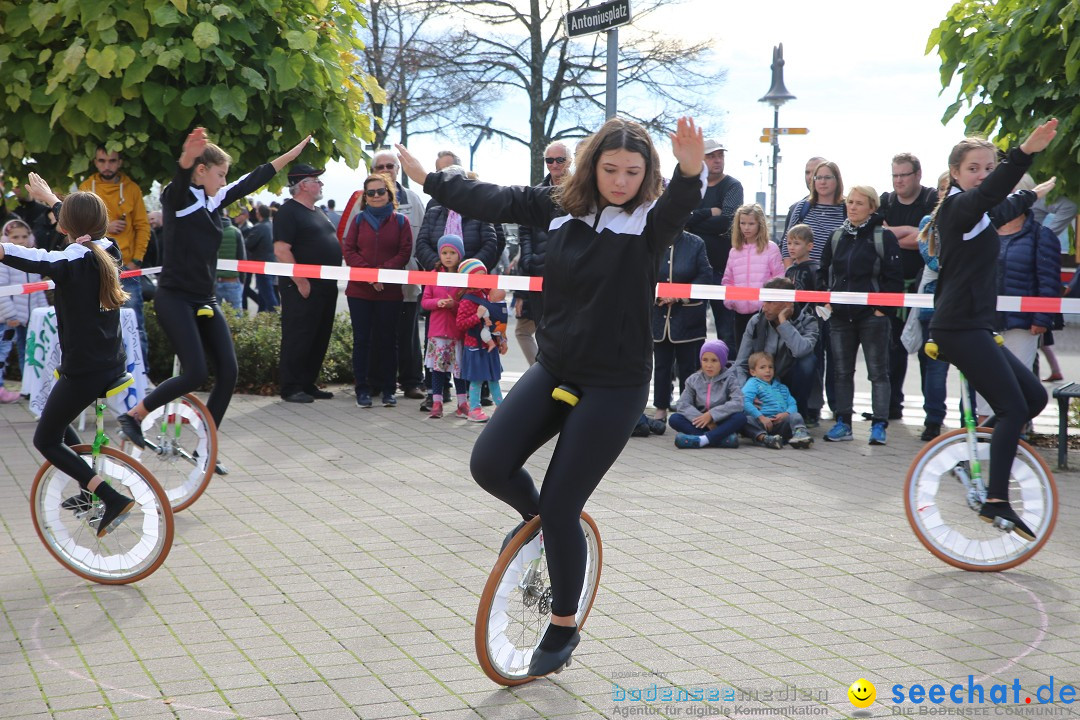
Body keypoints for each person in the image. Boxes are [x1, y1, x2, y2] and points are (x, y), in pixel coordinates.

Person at [396, 116, 706, 676]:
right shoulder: (559, 204)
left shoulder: (649, 222)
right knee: (488, 464)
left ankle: (563, 625)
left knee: (564, 504)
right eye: (610, 169)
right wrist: (432, 180)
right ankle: (541, 527)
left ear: (647, 175)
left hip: (616, 384)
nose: (620, 181)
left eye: (633, 172)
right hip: (557, 364)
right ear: (592, 166)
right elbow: (493, 198)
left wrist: (688, 170)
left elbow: (680, 203)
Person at [118, 128, 312, 454]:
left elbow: (253, 179)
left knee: (229, 372)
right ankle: (135, 416)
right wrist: (186, 157)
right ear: (201, 170)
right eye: (219, 174)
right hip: (175, 297)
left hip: (204, 298)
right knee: (195, 373)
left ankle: (205, 448)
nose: (224, 182)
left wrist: (289, 156)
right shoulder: (176, 199)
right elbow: (179, 182)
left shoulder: (214, 198)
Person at [925, 119, 1059, 540]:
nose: (982, 174)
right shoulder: (957, 208)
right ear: (955, 176)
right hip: (958, 327)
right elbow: (991, 195)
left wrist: (1031, 195)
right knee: (1012, 409)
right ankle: (996, 500)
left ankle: (974, 459)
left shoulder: (979, 216)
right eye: (973, 168)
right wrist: (1024, 153)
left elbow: (1000, 207)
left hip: (975, 327)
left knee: (1034, 397)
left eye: (989, 166)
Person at [3, 175, 136, 536]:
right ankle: (85, 488)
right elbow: (83, 224)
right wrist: (51, 197)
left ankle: (109, 496)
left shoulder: (68, 261)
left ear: (64, 227)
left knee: (45, 440)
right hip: (110, 362)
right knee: (63, 423)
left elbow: (25, 255)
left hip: (85, 371)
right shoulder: (110, 249)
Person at [818, 185, 903, 445]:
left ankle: (879, 425)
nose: (852, 207)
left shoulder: (883, 237)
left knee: (878, 373)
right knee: (841, 372)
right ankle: (843, 423)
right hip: (841, 317)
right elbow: (823, 272)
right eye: (850, 202)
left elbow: (894, 279)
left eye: (858, 203)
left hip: (871, 318)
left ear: (872, 208)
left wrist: (880, 310)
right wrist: (828, 302)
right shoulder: (837, 236)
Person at [973, 174, 1060, 420]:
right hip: (985, 323)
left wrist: (1042, 319)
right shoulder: (982, 233)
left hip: (1022, 326)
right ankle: (983, 446)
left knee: (1015, 389)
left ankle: (1014, 447)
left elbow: (1049, 281)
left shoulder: (1041, 236)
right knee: (984, 388)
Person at [274, 162, 344, 403]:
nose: (321, 184)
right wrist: (301, 281)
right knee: (299, 335)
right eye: (317, 180)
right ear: (303, 185)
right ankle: (291, 386)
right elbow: (282, 250)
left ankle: (307, 382)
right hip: (303, 286)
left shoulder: (317, 211)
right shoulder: (288, 212)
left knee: (319, 334)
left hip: (326, 285)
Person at [342, 174, 413, 409]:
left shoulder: (401, 221)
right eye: (370, 193)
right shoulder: (359, 220)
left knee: (387, 341)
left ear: (389, 194)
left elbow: (404, 253)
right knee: (362, 340)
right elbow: (349, 250)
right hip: (360, 291)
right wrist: (370, 275)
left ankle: (388, 390)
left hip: (390, 292)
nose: (375, 196)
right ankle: (362, 389)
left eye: (380, 191)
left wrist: (382, 273)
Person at [878, 153, 939, 421]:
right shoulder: (885, 201)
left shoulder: (932, 199)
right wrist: (911, 232)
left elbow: (929, 239)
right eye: (895, 175)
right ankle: (891, 407)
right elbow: (879, 236)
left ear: (918, 175)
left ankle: (931, 416)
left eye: (904, 175)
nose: (899, 180)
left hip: (924, 288)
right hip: (892, 288)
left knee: (928, 352)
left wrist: (895, 234)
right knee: (892, 349)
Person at [78, 146, 152, 362]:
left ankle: (142, 373)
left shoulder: (132, 189)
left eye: (112, 161)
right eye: (102, 161)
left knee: (134, 325)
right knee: (93, 325)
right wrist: (108, 226)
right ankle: (99, 373)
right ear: (95, 161)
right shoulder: (86, 187)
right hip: (93, 268)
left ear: (120, 162)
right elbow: (78, 227)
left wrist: (136, 261)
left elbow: (143, 227)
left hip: (126, 269)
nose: (107, 166)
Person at [370, 150, 427, 400]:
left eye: (390, 166)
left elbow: (423, 238)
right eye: (380, 166)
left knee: (407, 333)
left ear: (398, 169)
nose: (386, 170)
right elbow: (349, 238)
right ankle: (377, 383)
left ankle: (412, 381)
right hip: (375, 284)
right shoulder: (362, 199)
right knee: (377, 333)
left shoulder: (413, 199)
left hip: (407, 281)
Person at [516, 141, 572, 364]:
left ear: (570, 161)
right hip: (538, 274)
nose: (555, 164)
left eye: (560, 159)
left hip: (568, 274)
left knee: (566, 330)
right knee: (540, 329)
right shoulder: (536, 192)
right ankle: (543, 376)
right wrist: (529, 261)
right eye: (550, 160)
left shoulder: (581, 190)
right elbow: (524, 230)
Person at [684, 139, 743, 347]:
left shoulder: (732, 186)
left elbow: (727, 223)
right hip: (691, 269)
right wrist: (709, 212)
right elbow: (681, 220)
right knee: (691, 329)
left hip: (721, 268)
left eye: (720, 156)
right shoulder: (692, 186)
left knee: (726, 330)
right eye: (711, 156)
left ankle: (728, 374)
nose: (717, 160)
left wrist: (693, 221)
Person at [732, 277, 819, 418]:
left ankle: (800, 414)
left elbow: (801, 351)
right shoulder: (756, 322)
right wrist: (745, 393)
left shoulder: (808, 321)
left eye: (770, 302)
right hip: (760, 381)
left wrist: (784, 323)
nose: (764, 307)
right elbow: (741, 363)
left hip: (788, 381)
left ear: (787, 303)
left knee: (808, 362)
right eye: (764, 301)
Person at [652, 230, 712, 424]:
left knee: (689, 366)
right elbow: (643, 272)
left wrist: (678, 295)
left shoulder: (696, 243)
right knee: (661, 365)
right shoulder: (653, 240)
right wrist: (658, 295)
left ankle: (688, 409)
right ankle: (661, 407)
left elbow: (705, 275)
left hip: (687, 316)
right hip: (659, 314)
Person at [915, 173, 952, 441]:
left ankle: (969, 419)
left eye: (950, 188)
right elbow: (933, 260)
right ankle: (933, 420)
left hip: (965, 303)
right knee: (934, 367)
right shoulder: (929, 222)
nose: (945, 192)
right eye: (941, 188)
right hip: (934, 302)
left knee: (972, 369)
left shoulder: (973, 220)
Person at [721, 203, 784, 354]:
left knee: (763, 356)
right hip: (740, 313)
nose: (746, 228)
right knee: (742, 356)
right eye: (742, 223)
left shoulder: (771, 248)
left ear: (760, 224)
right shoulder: (734, 251)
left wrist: (768, 305)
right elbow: (728, 281)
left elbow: (779, 279)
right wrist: (731, 302)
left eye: (751, 223)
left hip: (764, 314)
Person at [0, 219, 49, 402]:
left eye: (24, 236)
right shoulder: (3, 261)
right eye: (15, 237)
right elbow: (2, 290)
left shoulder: (33, 259)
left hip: (30, 319)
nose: (20, 240)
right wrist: (11, 315)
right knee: (2, 352)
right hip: (9, 319)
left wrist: (44, 313)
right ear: (6, 238)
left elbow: (38, 290)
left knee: (28, 353)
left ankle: (29, 387)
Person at [420, 235, 468, 419]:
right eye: (444, 253)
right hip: (438, 332)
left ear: (460, 255)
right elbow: (425, 302)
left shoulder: (463, 277)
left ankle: (462, 403)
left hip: (456, 331)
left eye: (452, 253)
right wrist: (439, 302)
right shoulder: (434, 276)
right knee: (438, 369)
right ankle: (437, 402)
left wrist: (453, 305)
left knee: (458, 369)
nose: (448, 257)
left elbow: (466, 304)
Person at [455, 258, 507, 422]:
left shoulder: (487, 294)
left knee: (494, 378)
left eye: (483, 276)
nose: (481, 280)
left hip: (489, 345)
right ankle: (475, 410)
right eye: (476, 277)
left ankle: (502, 408)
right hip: (475, 346)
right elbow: (460, 324)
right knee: (476, 381)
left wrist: (502, 339)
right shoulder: (466, 300)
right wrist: (477, 316)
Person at [670, 339, 745, 449]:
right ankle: (720, 440)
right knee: (675, 419)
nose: (709, 365)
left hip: (720, 422)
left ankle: (701, 439)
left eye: (714, 360)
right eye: (705, 360)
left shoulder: (730, 379)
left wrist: (711, 415)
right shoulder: (693, 379)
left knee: (740, 418)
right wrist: (703, 418)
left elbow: (738, 402)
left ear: (722, 361)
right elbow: (682, 404)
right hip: (700, 423)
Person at [741, 351, 813, 449]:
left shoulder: (781, 387)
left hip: (779, 423)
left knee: (795, 416)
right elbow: (744, 401)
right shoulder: (753, 383)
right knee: (745, 420)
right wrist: (761, 417)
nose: (768, 370)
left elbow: (792, 404)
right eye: (762, 367)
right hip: (761, 423)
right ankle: (766, 439)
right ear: (753, 372)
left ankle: (800, 435)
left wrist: (786, 414)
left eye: (770, 367)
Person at [244, 205, 279, 312]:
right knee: (264, 294)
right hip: (273, 262)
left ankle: (276, 318)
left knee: (267, 295)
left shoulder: (259, 227)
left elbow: (248, 244)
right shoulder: (273, 225)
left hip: (261, 264)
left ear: (258, 214)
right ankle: (262, 316)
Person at [215, 210, 245, 310]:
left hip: (214, 281)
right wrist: (242, 280)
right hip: (232, 280)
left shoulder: (209, 231)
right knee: (236, 315)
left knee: (213, 317)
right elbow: (242, 257)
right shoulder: (235, 232)